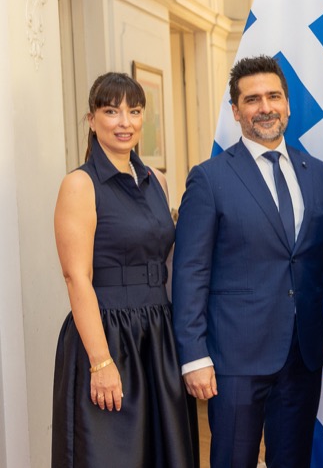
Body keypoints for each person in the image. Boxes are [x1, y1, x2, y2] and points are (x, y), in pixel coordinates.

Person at [171, 55, 323, 467]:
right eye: (252, 99)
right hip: (234, 360)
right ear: (236, 111)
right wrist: (194, 355)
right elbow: (190, 273)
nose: (265, 107)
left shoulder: (320, 175)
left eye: (273, 96)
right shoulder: (209, 178)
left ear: (287, 105)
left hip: (302, 356)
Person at [51, 72, 197, 467]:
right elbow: (76, 277)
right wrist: (100, 362)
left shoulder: (157, 181)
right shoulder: (79, 184)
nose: (124, 122)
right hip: (109, 335)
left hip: (158, 333)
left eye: (134, 111)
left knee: (164, 452)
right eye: (111, 111)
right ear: (92, 119)